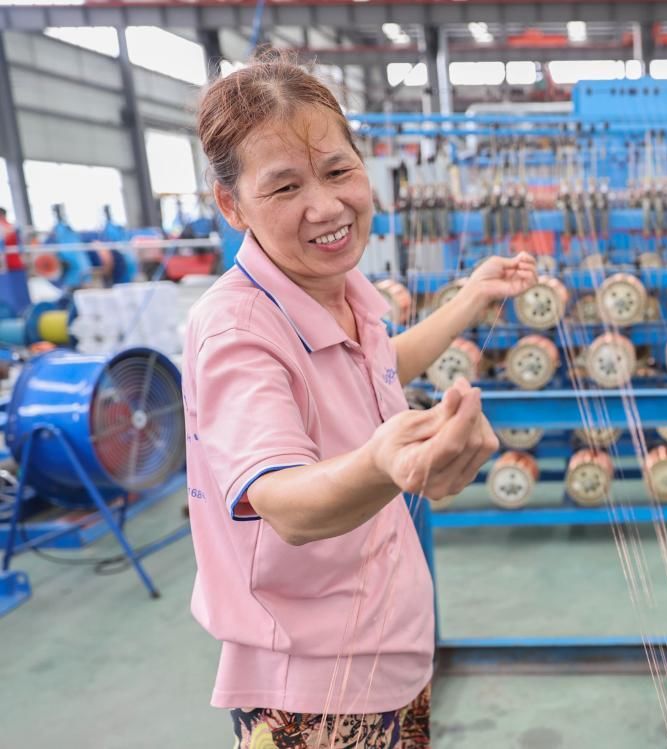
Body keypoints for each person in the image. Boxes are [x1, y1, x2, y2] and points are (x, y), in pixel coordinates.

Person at [185, 52, 537, 749]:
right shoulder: (237, 328)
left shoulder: (340, 291)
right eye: (284, 187)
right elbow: (280, 496)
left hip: (388, 654)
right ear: (232, 204)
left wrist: (471, 297)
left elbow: (378, 366)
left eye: (339, 171)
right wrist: (384, 462)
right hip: (314, 692)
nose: (325, 205)